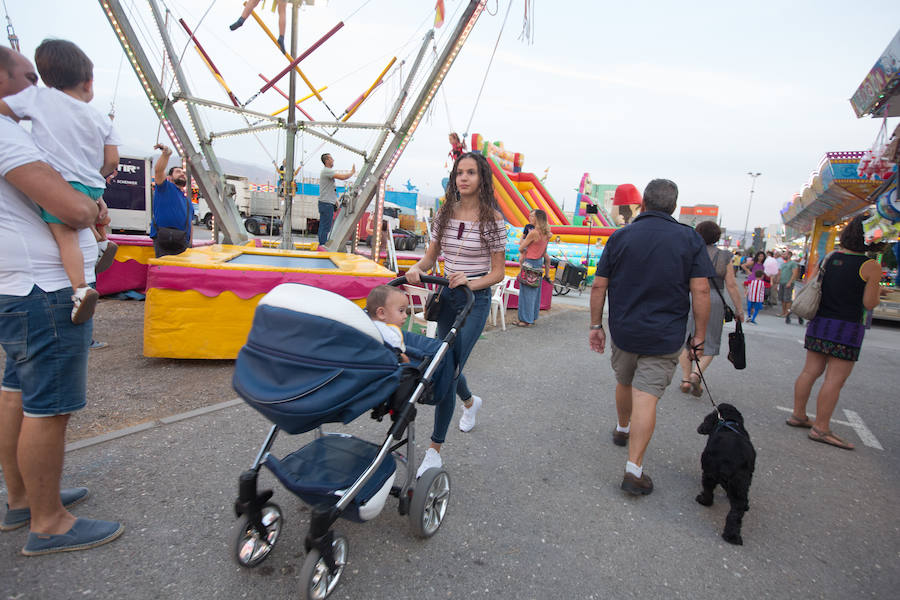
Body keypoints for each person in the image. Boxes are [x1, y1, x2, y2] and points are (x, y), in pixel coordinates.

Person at [0, 46, 123, 555]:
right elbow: (70, 208)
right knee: (49, 408)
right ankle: (49, 522)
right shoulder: (8, 137)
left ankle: (25, 498)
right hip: (44, 289)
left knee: (16, 394)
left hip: (18, 285)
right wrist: (92, 203)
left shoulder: (25, 126)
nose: (38, 86)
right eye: (27, 76)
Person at [589, 179, 713, 496]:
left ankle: (621, 428)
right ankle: (634, 470)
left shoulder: (620, 237)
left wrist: (595, 325)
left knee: (624, 381)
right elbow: (700, 289)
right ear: (673, 206)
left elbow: (599, 285)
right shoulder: (689, 239)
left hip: (624, 330)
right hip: (665, 335)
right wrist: (699, 335)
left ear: (642, 204)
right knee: (646, 396)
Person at [0, 39, 121, 324]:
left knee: (66, 236)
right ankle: (101, 242)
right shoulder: (100, 117)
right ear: (89, 82)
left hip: (67, 182)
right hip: (91, 182)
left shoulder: (38, 99)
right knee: (89, 211)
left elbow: (7, 110)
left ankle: (80, 288)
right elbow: (112, 161)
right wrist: (96, 177)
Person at [405, 151, 505, 477]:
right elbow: (429, 258)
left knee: (446, 368)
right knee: (443, 360)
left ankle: (434, 450)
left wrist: (472, 281)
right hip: (446, 296)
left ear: (481, 179)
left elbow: (498, 272)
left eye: (471, 173)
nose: (463, 178)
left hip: (474, 301)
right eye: (459, 172)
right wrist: (416, 269)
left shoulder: (492, 220)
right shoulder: (444, 214)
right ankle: (470, 402)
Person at [787, 215, 882, 450]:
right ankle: (821, 428)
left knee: (810, 371)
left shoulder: (829, 258)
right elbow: (870, 303)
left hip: (820, 323)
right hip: (847, 328)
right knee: (834, 379)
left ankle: (798, 415)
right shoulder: (870, 266)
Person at [678, 221, 745, 396]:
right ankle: (696, 374)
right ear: (717, 236)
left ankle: (685, 379)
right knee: (711, 340)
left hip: (690, 296)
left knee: (685, 338)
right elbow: (731, 285)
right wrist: (739, 309)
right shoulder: (724, 256)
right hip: (714, 298)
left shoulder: (690, 252)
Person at [150, 144, 193, 258]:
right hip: (164, 238)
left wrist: (190, 244)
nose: (182, 174)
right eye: (178, 172)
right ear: (169, 178)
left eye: (184, 173)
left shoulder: (187, 201)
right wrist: (166, 154)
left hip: (182, 241)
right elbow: (158, 171)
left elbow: (190, 223)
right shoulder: (165, 188)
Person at [516, 209, 551, 327]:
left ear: (537, 218)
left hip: (529, 262)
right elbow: (544, 251)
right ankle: (532, 317)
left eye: (532, 216)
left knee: (526, 293)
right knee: (535, 293)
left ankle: (525, 320)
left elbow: (521, 247)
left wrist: (524, 251)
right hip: (538, 263)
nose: (530, 218)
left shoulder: (533, 233)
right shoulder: (547, 233)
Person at [318, 153, 355, 246]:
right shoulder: (327, 171)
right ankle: (322, 245)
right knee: (325, 226)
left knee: (324, 225)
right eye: (331, 159)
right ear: (327, 161)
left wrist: (336, 201)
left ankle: (322, 244)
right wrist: (352, 172)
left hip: (326, 203)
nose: (333, 160)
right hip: (326, 204)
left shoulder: (326, 172)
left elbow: (330, 190)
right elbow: (342, 177)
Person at [366, 284, 409, 363]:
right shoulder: (390, 334)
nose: (406, 316)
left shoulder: (366, 326)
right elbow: (399, 357)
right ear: (381, 313)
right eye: (401, 311)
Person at [777, 249, 803, 324]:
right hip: (782, 282)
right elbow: (780, 272)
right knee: (782, 298)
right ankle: (783, 312)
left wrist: (790, 282)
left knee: (787, 298)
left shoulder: (793, 263)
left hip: (788, 282)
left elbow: (795, 273)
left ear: (789, 255)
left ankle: (787, 313)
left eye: (785, 254)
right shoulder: (783, 264)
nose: (783, 255)